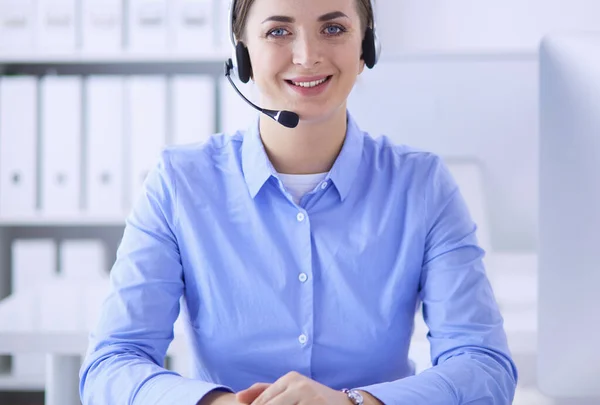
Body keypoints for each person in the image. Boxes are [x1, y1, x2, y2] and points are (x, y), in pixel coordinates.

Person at [79, 0, 518, 403]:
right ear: (244, 54)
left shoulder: (421, 185)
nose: (307, 55)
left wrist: (355, 404)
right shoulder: (180, 183)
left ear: (366, 46)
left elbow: (484, 365)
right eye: (277, 32)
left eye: (333, 28)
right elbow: (111, 363)